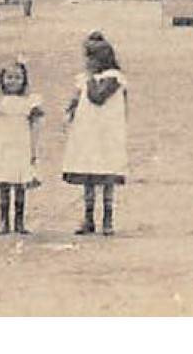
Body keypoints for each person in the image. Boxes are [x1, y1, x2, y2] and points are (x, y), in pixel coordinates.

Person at [62, 30, 128, 236]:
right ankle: (88, 218)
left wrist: (88, 79)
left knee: (106, 176)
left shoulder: (113, 78)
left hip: (105, 133)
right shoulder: (85, 79)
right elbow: (79, 99)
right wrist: (71, 109)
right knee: (88, 176)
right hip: (88, 132)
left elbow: (97, 97)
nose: (87, 63)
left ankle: (108, 219)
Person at [0, 58, 43, 235]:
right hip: (3, 144)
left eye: (17, 78)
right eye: (9, 77)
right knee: (4, 182)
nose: (13, 81)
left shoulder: (29, 101)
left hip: (21, 145)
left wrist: (33, 148)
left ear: (24, 80)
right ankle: (4, 221)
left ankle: (19, 221)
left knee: (19, 183)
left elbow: (36, 124)